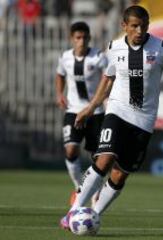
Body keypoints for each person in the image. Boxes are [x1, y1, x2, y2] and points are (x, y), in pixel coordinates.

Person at [59, 5, 163, 229]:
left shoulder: (161, 48)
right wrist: (91, 107)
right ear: (124, 26)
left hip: (144, 120)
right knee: (104, 158)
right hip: (118, 111)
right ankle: (73, 212)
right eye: (134, 26)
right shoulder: (114, 47)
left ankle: (93, 215)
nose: (139, 30)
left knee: (120, 175)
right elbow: (108, 79)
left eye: (143, 26)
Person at [55, 21, 108, 205]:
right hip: (74, 111)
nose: (82, 41)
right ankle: (79, 187)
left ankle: (94, 190)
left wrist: (104, 98)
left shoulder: (98, 57)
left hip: (96, 112)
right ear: (72, 39)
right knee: (71, 149)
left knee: (98, 157)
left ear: (89, 38)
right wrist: (59, 93)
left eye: (85, 37)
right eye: (78, 38)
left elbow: (108, 78)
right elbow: (60, 75)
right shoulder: (65, 57)